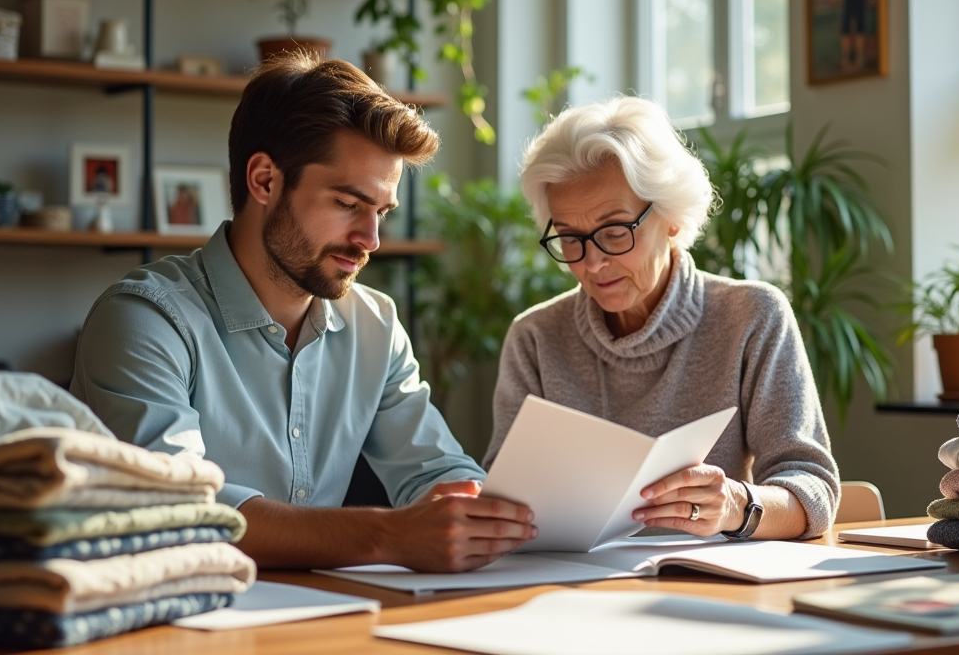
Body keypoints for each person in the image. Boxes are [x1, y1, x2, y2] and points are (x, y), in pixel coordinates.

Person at [72, 54, 536, 571]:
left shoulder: (375, 325)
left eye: (381, 212)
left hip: (327, 618)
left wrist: (491, 512)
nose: (371, 239)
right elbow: (178, 510)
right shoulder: (143, 320)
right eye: (346, 203)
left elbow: (435, 471)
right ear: (265, 181)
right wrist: (386, 535)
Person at [484, 96, 839, 541]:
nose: (592, 263)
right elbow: (503, 494)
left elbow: (813, 491)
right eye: (571, 239)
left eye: (614, 232)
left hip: (706, 584)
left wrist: (734, 506)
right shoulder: (534, 337)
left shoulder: (752, 317)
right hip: (566, 583)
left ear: (671, 217)